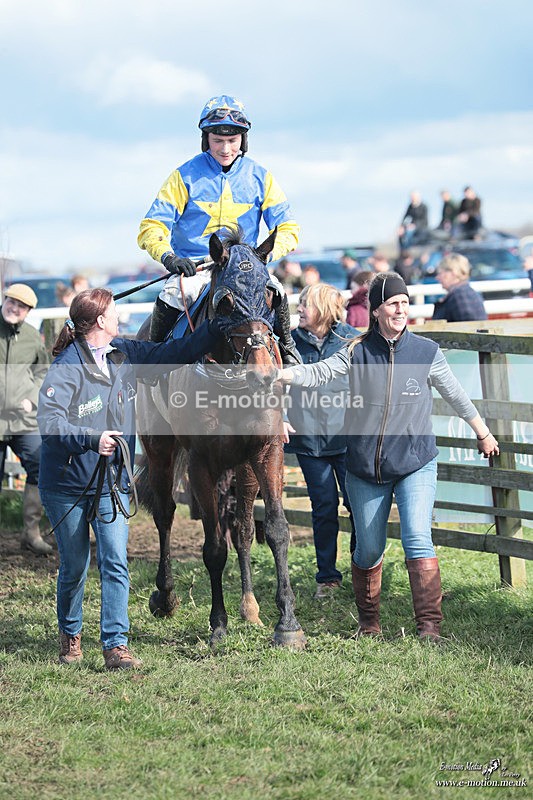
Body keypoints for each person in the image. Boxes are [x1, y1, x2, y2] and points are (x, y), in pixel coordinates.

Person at [278, 272, 499, 642]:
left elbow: (456, 395)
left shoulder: (426, 352)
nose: (400, 310)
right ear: (376, 310)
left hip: (415, 462)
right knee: (368, 549)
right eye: (393, 303)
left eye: (405, 303)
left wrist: (483, 431)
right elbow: (321, 373)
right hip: (365, 466)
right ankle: (369, 624)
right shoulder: (356, 351)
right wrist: (284, 375)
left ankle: (429, 627)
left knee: (417, 537)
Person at [37, 288, 224, 669]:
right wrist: (92, 438)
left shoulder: (123, 353)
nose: (118, 316)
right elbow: (50, 423)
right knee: (74, 566)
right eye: (113, 312)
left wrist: (217, 323)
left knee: (115, 562)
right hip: (68, 484)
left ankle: (115, 645)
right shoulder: (67, 366)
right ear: (100, 321)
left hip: (111, 481)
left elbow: (173, 353)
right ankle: (71, 635)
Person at [138, 94, 301, 365]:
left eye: (232, 141)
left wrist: (262, 257)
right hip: (197, 270)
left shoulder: (261, 177)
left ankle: (289, 353)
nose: (226, 149)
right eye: (218, 141)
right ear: (206, 139)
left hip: (245, 271)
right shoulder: (183, 176)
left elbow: (288, 227)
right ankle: (153, 362)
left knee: (277, 290)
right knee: (172, 294)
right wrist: (169, 257)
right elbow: (152, 225)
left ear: (243, 140)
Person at [285, 284, 357, 598]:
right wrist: (281, 415)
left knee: (357, 506)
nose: (300, 308)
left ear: (324, 309)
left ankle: (363, 571)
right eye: (299, 303)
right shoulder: (289, 342)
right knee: (324, 507)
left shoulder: (351, 339)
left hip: (348, 440)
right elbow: (275, 383)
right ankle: (327, 578)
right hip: (309, 441)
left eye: (306, 304)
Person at [0, 284, 51, 555]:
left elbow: (43, 371)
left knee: (40, 465)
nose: (14, 308)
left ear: (28, 311)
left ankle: (31, 533)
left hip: (23, 419)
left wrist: (32, 397)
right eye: (11, 302)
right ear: (4, 300)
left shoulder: (32, 336)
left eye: (21, 306)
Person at [432, 253, 487, 322]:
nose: (437, 277)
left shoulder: (460, 296)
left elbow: (469, 325)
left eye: (440, 273)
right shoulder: (465, 293)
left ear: (452, 273)